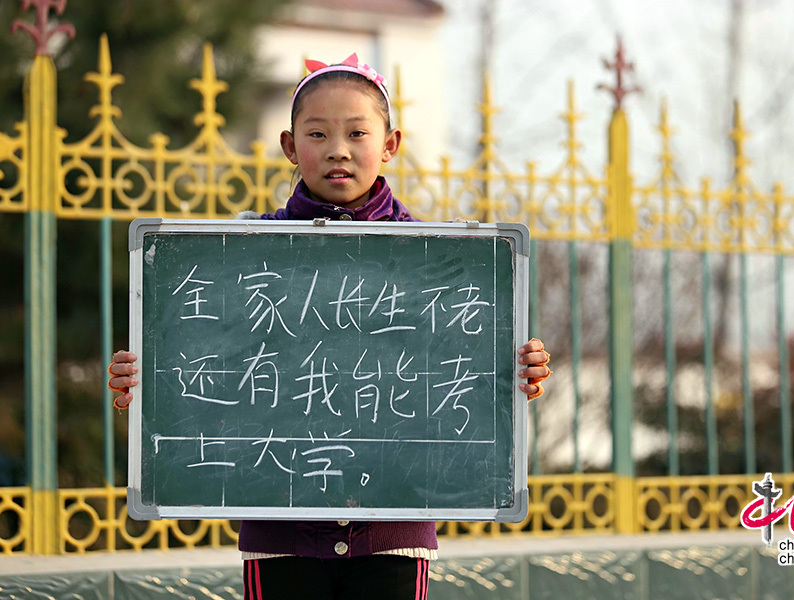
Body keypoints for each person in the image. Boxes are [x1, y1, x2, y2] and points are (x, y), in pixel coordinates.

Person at [108, 53, 551, 600]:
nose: (338, 149)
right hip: (278, 527)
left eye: (357, 133)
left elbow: (470, 368)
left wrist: (516, 367)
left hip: (392, 531)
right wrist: (145, 375)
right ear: (290, 147)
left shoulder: (445, 259)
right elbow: (199, 360)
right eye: (317, 133)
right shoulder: (238, 254)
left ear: (389, 144)